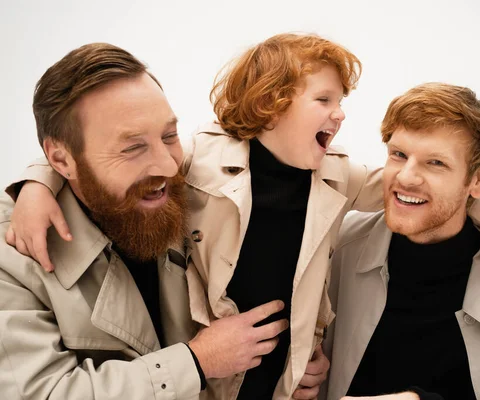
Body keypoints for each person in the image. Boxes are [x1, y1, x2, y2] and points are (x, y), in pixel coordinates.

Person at [5, 35, 480, 399]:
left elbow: (411, 184)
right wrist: (37, 184)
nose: (166, 163)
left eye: (168, 135)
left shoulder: (330, 176)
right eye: (323, 99)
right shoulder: (201, 164)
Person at [0, 43, 293, 400]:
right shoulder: (11, 257)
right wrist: (197, 362)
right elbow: (41, 393)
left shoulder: (186, 196)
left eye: (169, 136)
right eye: (133, 148)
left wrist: (288, 373)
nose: (169, 167)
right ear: (61, 160)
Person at [323, 83, 480, 400]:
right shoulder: (338, 248)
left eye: (436, 163)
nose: (406, 177)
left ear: (479, 179)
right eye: (398, 155)